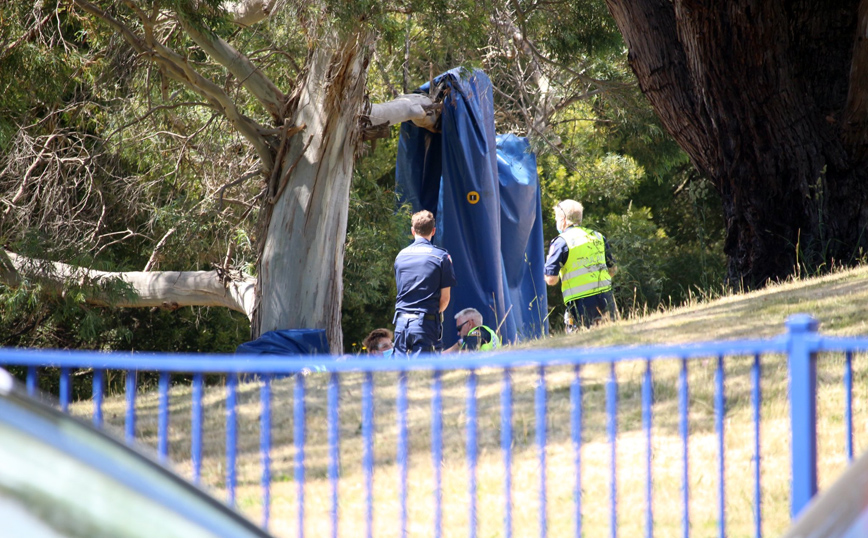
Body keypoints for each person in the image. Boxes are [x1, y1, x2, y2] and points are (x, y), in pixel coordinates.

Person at [544, 199, 617, 331]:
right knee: (609, 337)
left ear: (564, 219)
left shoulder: (561, 242)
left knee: (581, 344)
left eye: (557, 219)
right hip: (605, 298)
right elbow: (612, 270)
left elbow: (551, 280)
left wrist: (548, 261)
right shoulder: (598, 236)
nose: (556, 222)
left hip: (580, 304)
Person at [393, 210, 456, 355]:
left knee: (398, 374)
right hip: (424, 324)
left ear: (412, 231)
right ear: (433, 231)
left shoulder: (400, 256)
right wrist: (430, 315)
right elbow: (445, 299)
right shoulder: (441, 257)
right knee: (422, 372)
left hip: (401, 322)